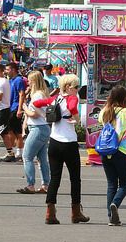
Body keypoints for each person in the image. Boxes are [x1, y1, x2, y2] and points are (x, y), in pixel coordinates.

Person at [33, 74, 89, 225]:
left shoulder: (55, 98)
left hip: (54, 142)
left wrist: (45, 116)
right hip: (69, 143)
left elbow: (37, 103)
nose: (78, 90)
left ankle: (50, 212)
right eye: (76, 87)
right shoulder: (72, 98)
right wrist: (76, 119)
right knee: (75, 178)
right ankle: (75, 212)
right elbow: (72, 106)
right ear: (68, 87)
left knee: (55, 178)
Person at [98, 86, 126, 226]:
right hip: (122, 151)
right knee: (125, 183)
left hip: (106, 151)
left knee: (111, 184)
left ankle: (111, 217)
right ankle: (115, 203)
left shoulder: (104, 111)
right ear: (124, 98)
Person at [17, 71, 51, 194]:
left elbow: (35, 114)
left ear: (35, 81)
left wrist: (25, 108)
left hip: (38, 128)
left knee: (27, 156)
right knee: (42, 159)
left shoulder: (37, 95)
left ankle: (30, 184)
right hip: (42, 128)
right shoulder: (41, 94)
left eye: (30, 80)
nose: (28, 82)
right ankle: (45, 185)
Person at [7, 62, 26, 162]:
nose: (6, 71)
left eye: (8, 69)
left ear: (13, 70)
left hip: (15, 108)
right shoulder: (10, 80)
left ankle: (16, 151)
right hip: (10, 107)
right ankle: (17, 151)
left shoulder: (18, 80)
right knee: (13, 130)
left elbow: (21, 94)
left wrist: (19, 109)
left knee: (14, 131)